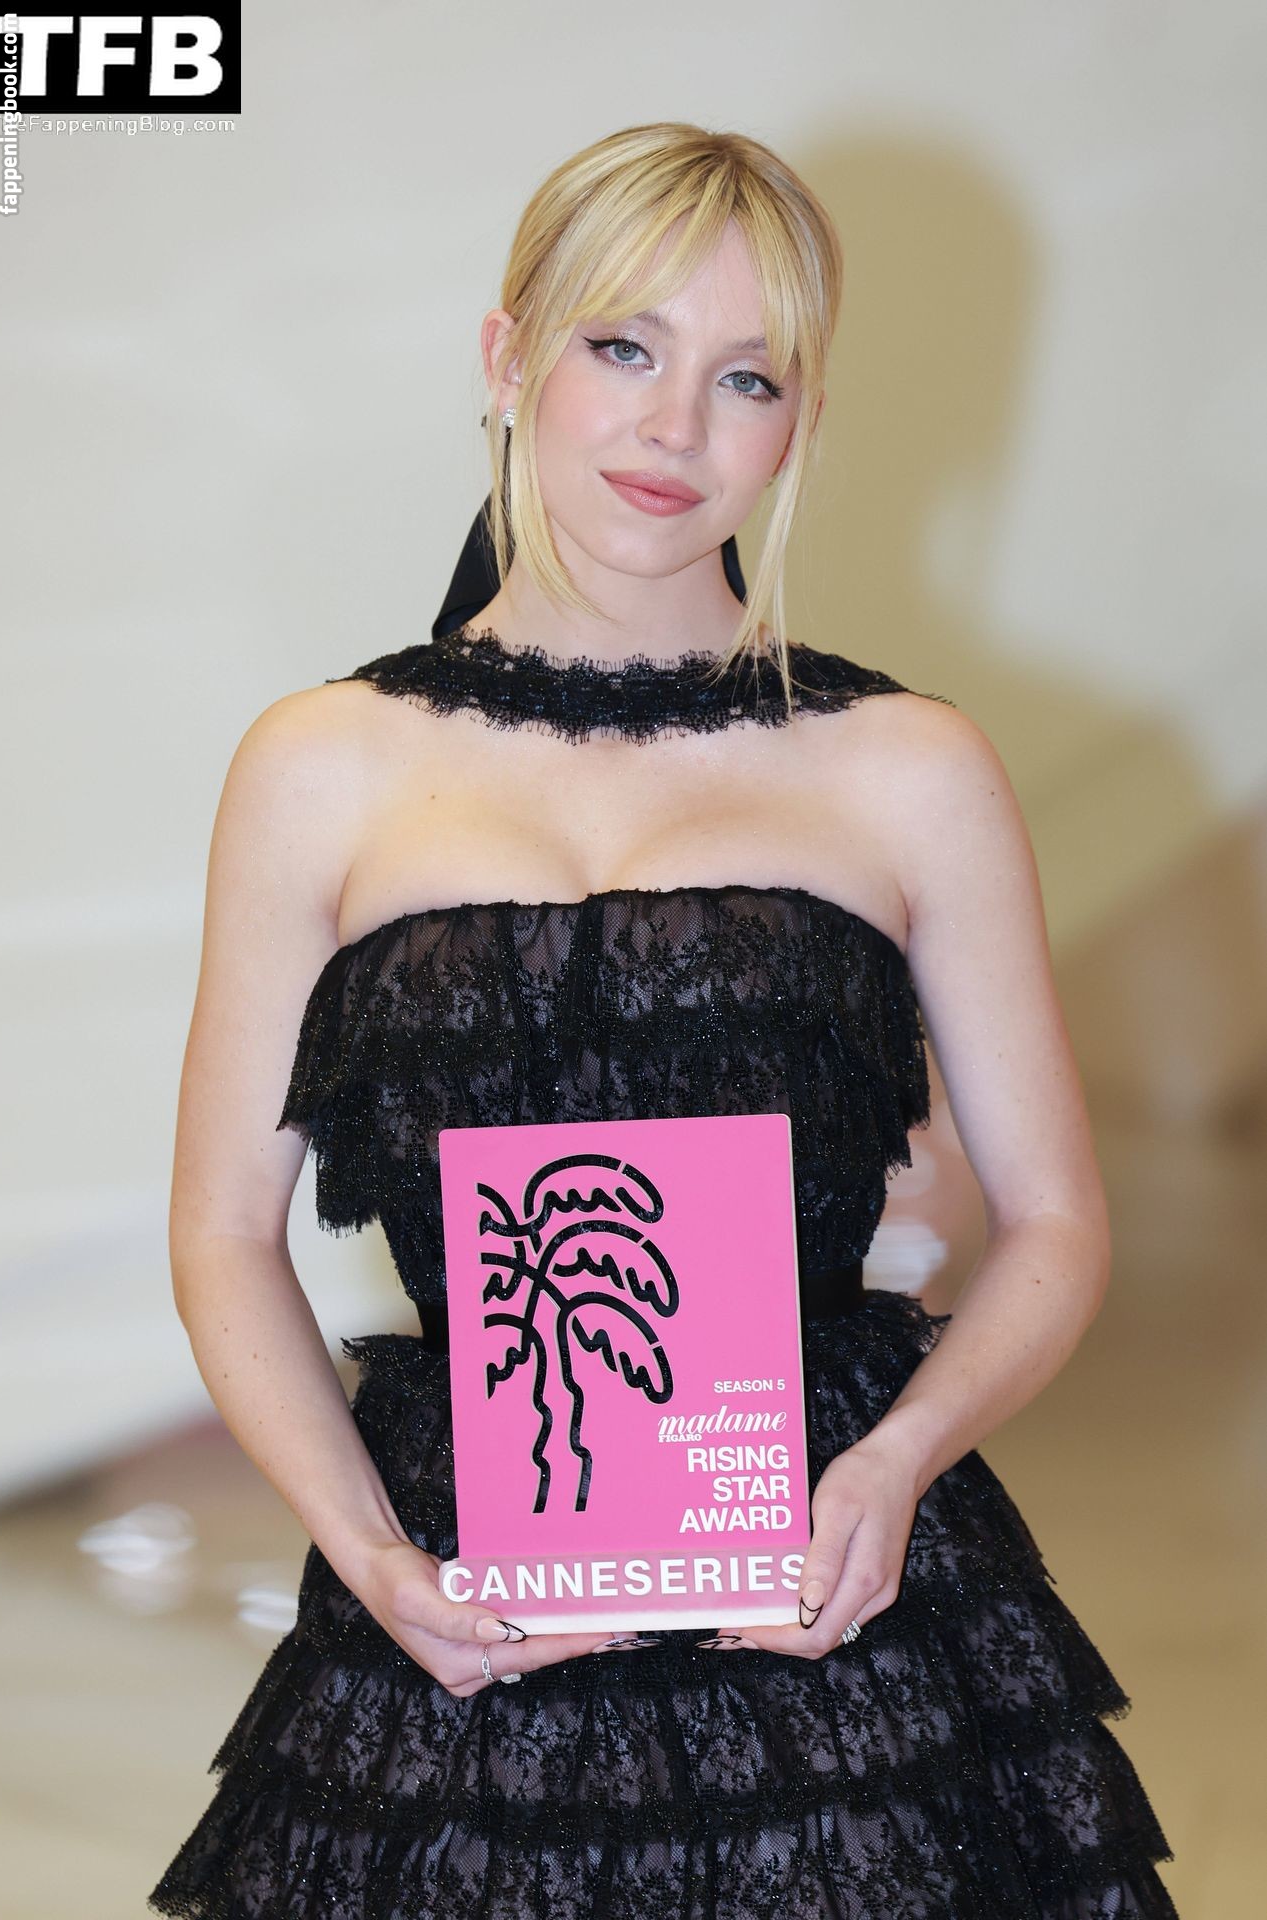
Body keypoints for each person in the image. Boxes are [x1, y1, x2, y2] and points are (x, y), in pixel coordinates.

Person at [149, 123, 1179, 1918]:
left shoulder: (907, 769)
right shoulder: (318, 768)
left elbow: (1058, 1221)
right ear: (507, 357)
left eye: (745, 378)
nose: (674, 426)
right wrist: (366, 1551)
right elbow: (225, 1230)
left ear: (800, 422)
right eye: (622, 345)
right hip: (458, 1593)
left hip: (834, 1598)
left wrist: (895, 1466)